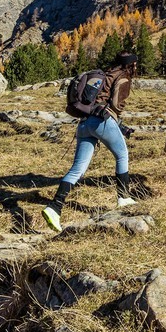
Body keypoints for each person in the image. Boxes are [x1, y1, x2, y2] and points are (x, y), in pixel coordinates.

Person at [42, 52, 139, 232]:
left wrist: (120, 126)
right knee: (122, 154)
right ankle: (123, 197)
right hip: (103, 121)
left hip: (85, 123)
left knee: (78, 168)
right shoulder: (123, 77)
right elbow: (116, 105)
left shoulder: (105, 74)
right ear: (130, 65)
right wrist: (118, 114)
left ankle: (54, 208)